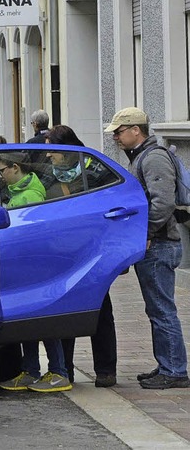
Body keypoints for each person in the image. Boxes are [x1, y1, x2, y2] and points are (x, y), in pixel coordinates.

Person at [105, 106, 189, 389]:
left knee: (162, 310)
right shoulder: (143, 157)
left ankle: (175, 370)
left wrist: (147, 233)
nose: (116, 137)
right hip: (156, 244)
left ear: (135, 130)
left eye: (118, 132)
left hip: (159, 245)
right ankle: (167, 364)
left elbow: (162, 203)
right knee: (157, 310)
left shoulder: (152, 158)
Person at [45, 124, 118, 388]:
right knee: (65, 310)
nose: (48, 155)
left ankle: (106, 370)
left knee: (101, 310)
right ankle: (66, 370)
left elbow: (110, 203)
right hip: (62, 252)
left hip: (92, 250)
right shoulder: (47, 175)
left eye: (51, 148)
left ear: (65, 147)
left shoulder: (94, 170)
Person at [0, 151, 71, 392]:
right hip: (23, 265)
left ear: (15, 168)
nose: (0, 176)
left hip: (34, 265)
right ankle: (30, 370)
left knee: (43, 320)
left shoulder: (29, 196)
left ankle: (59, 372)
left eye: (2, 170)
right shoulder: (19, 192)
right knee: (27, 319)